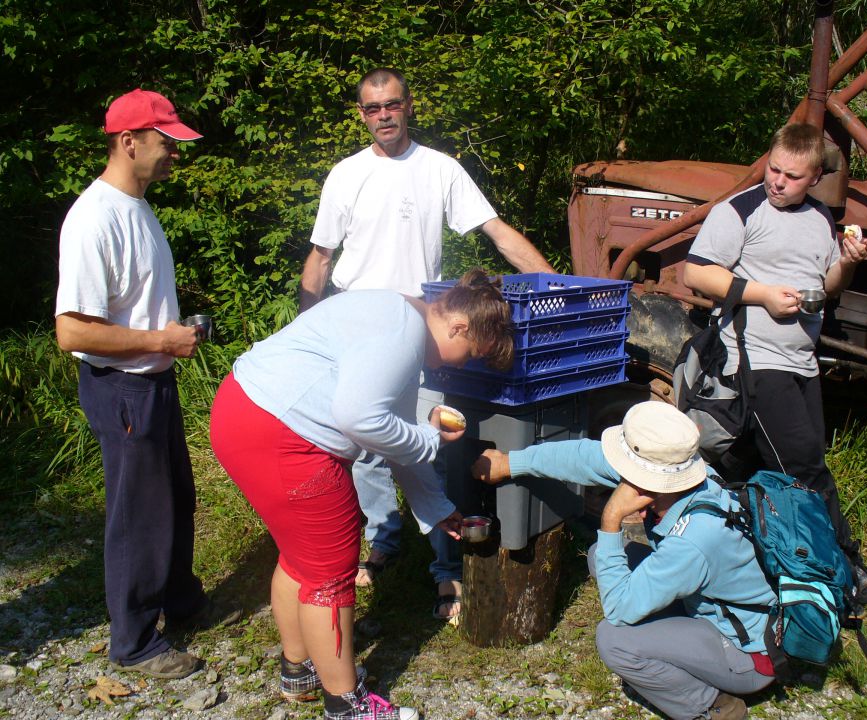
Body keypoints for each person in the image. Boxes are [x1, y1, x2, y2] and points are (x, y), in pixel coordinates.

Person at [299, 67, 555, 621]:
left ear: (409, 106)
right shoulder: (345, 176)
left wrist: (555, 281)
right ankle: (383, 541)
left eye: (392, 104)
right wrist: (304, 327)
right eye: (372, 108)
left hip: (423, 331)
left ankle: (445, 570)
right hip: (356, 325)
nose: (383, 115)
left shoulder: (440, 169)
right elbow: (320, 258)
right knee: (360, 446)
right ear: (361, 114)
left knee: (429, 445)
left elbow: (495, 230)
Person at [209, 269, 514, 719]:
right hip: (284, 435)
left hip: (244, 412)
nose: (461, 365)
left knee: (301, 557)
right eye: (470, 354)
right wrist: (431, 440)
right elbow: (360, 420)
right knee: (330, 569)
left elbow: (394, 435)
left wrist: (436, 509)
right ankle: (348, 706)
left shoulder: (401, 318)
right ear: (458, 326)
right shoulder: (402, 332)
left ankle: (300, 670)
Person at [682, 122, 867, 609]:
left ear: (815, 177)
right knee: (805, 469)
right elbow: (695, 271)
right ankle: (844, 569)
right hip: (754, 359)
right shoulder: (739, 210)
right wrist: (763, 296)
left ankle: (770, 560)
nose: (778, 181)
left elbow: (829, 285)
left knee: (781, 466)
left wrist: (849, 260)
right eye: (773, 169)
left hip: (802, 361)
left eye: (792, 176)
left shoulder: (820, 217)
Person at [471, 402, 777, 720]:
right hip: (712, 608)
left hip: (749, 654)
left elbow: (618, 611)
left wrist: (612, 517)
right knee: (603, 557)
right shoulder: (690, 477)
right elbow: (585, 458)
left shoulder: (695, 539)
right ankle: (673, 645)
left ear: (648, 479)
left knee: (616, 640)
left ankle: (712, 705)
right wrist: (510, 463)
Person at [54, 89, 209, 678]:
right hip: (123, 388)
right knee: (138, 512)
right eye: (166, 141)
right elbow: (71, 332)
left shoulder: (137, 206)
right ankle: (135, 640)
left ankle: (180, 599)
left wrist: (164, 340)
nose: (174, 153)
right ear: (129, 142)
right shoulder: (94, 219)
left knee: (173, 497)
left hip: (152, 383)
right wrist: (160, 341)